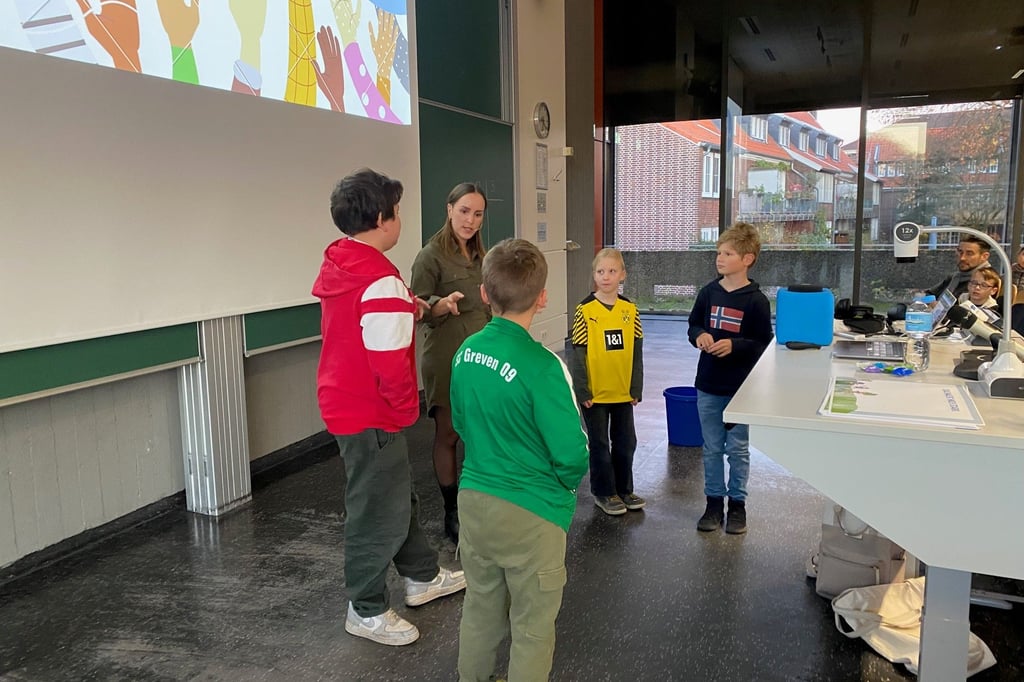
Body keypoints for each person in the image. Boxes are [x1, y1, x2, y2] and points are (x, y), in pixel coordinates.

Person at [312, 168, 466, 647]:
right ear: (382, 218)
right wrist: (404, 412)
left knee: (395, 495)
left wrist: (423, 307)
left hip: (345, 401)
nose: (400, 220)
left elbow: (391, 306)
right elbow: (390, 364)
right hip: (370, 412)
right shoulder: (378, 279)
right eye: (398, 212)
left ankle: (421, 576)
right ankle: (366, 607)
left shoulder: (347, 263)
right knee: (376, 509)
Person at [450, 239, 589, 682]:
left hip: (474, 501)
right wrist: (562, 490)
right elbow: (571, 453)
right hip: (532, 513)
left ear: (485, 294)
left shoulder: (464, 352)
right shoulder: (544, 366)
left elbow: (461, 422)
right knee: (531, 627)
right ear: (543, 296)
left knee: (480, 610)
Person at [410, 183, 491, 544]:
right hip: (446, 357)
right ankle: (451, 511)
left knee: (479, 431)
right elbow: (418, 309)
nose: (470, 220)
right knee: (448, 434)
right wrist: (439, 306)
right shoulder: (430, 256)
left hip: (481, 359)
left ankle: (479, 504)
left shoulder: (482, 256)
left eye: (477, 214)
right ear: (449, 209)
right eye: (464, 211)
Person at [688, 222, 774, 535]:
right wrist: (699, 336)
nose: (719, 258)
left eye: (728, 253)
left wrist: (734, 345)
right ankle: (713, 503)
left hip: (741, 389)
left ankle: (737, 505)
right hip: (708, 384)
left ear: (747, 259)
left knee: (737, 450)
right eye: (718, 252)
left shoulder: (757, 301)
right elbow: (693, 325)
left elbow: (763, 343)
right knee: (711, 448)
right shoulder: (708, 293)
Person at [570, 247, 645, 516]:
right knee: (600, 445)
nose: (606, 276)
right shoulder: (585, 311)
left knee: (626, 442)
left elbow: (636, 351)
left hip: (622, 392)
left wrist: (636, 387)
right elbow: (577, 352)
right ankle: (604, 492)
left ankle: (624, 489)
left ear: (622, 274)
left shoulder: (630, 310)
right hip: (596, 395)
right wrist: (582, 390)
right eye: (601, 272)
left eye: (612, 271)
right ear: (594, 275)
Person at [926, 236, 991, 299]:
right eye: (960, 252)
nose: (962, 258)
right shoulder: (954, 277)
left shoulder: (988, 282)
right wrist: (932, 303)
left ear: (984, 256)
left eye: (969, 253)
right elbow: (929, 293)